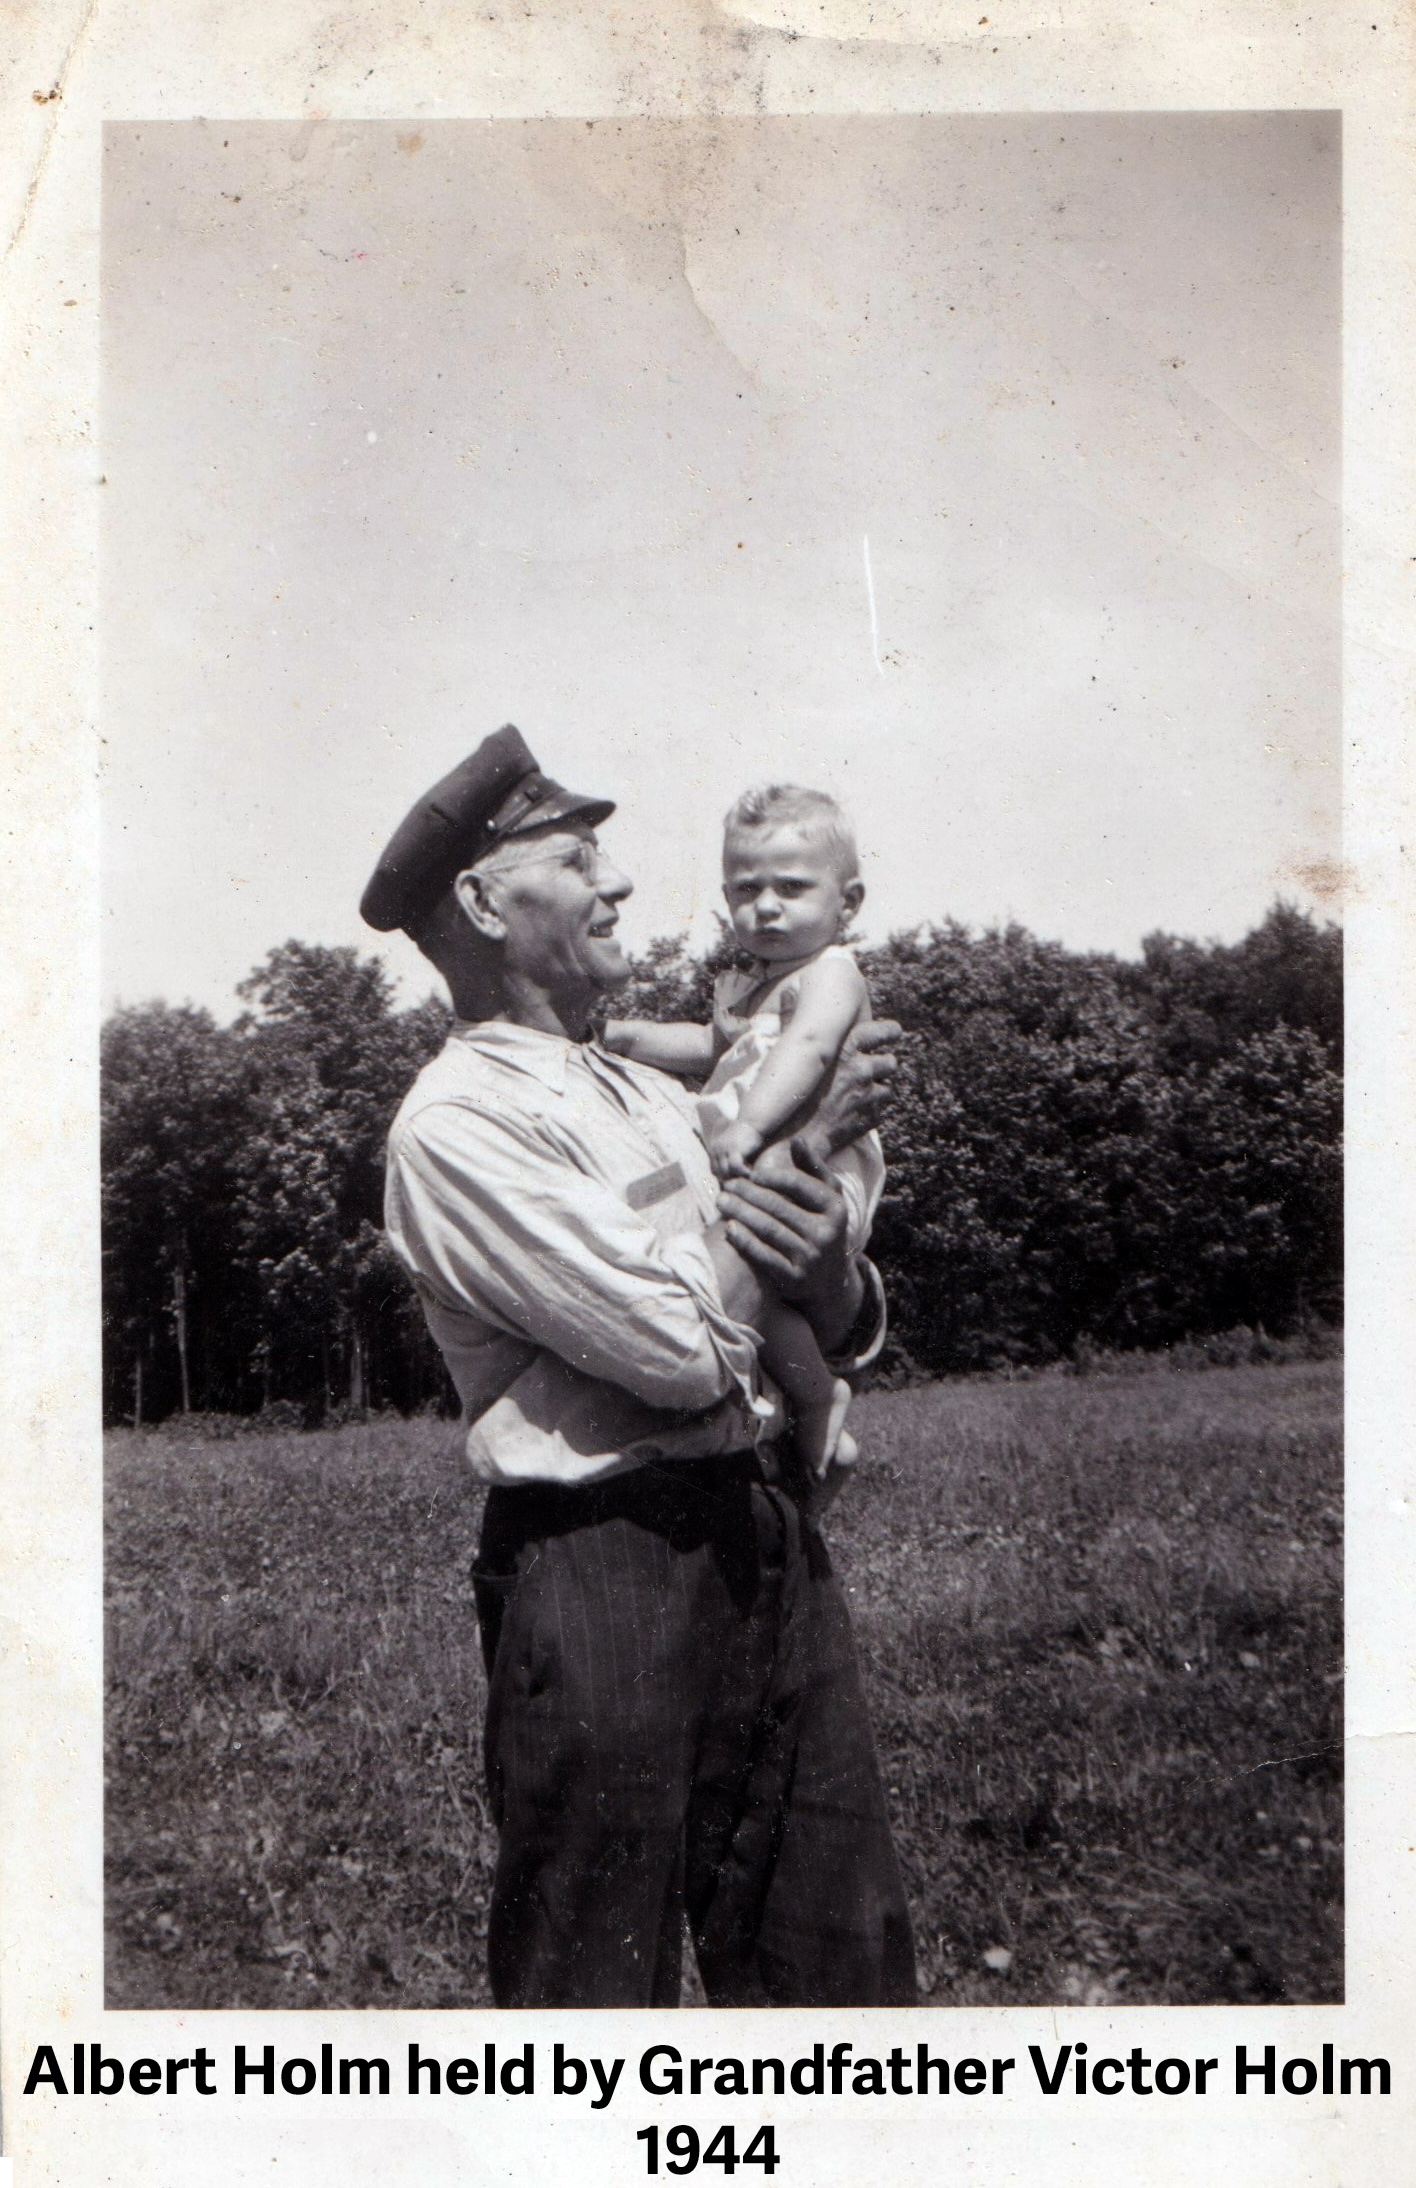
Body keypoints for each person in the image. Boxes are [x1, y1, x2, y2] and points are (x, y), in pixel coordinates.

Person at [363, 724, 916, 2009]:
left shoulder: (652, 1090)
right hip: (604, 1566)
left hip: (765, 1537)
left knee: (839, 1967)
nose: (620, 885)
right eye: (581, 856)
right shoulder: (462, 1127)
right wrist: (816, 1140)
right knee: (591, 1989)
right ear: (487, 902)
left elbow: (827, 1305)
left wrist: (832, 1268)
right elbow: (677, 1352)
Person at [605, 783, 881, 1489]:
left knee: (762, 1273)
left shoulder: (831, 974)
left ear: (847, 903)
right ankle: (811, 1414)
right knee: (762, 1306)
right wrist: (628, 1036)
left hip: (814, 1170)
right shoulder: (756, 987)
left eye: (791, 888)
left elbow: (812, 1050)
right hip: (759, 1166)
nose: (765, 907)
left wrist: (751, 1127)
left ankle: (819, 1404)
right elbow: (707, 1044)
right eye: (744, 889)